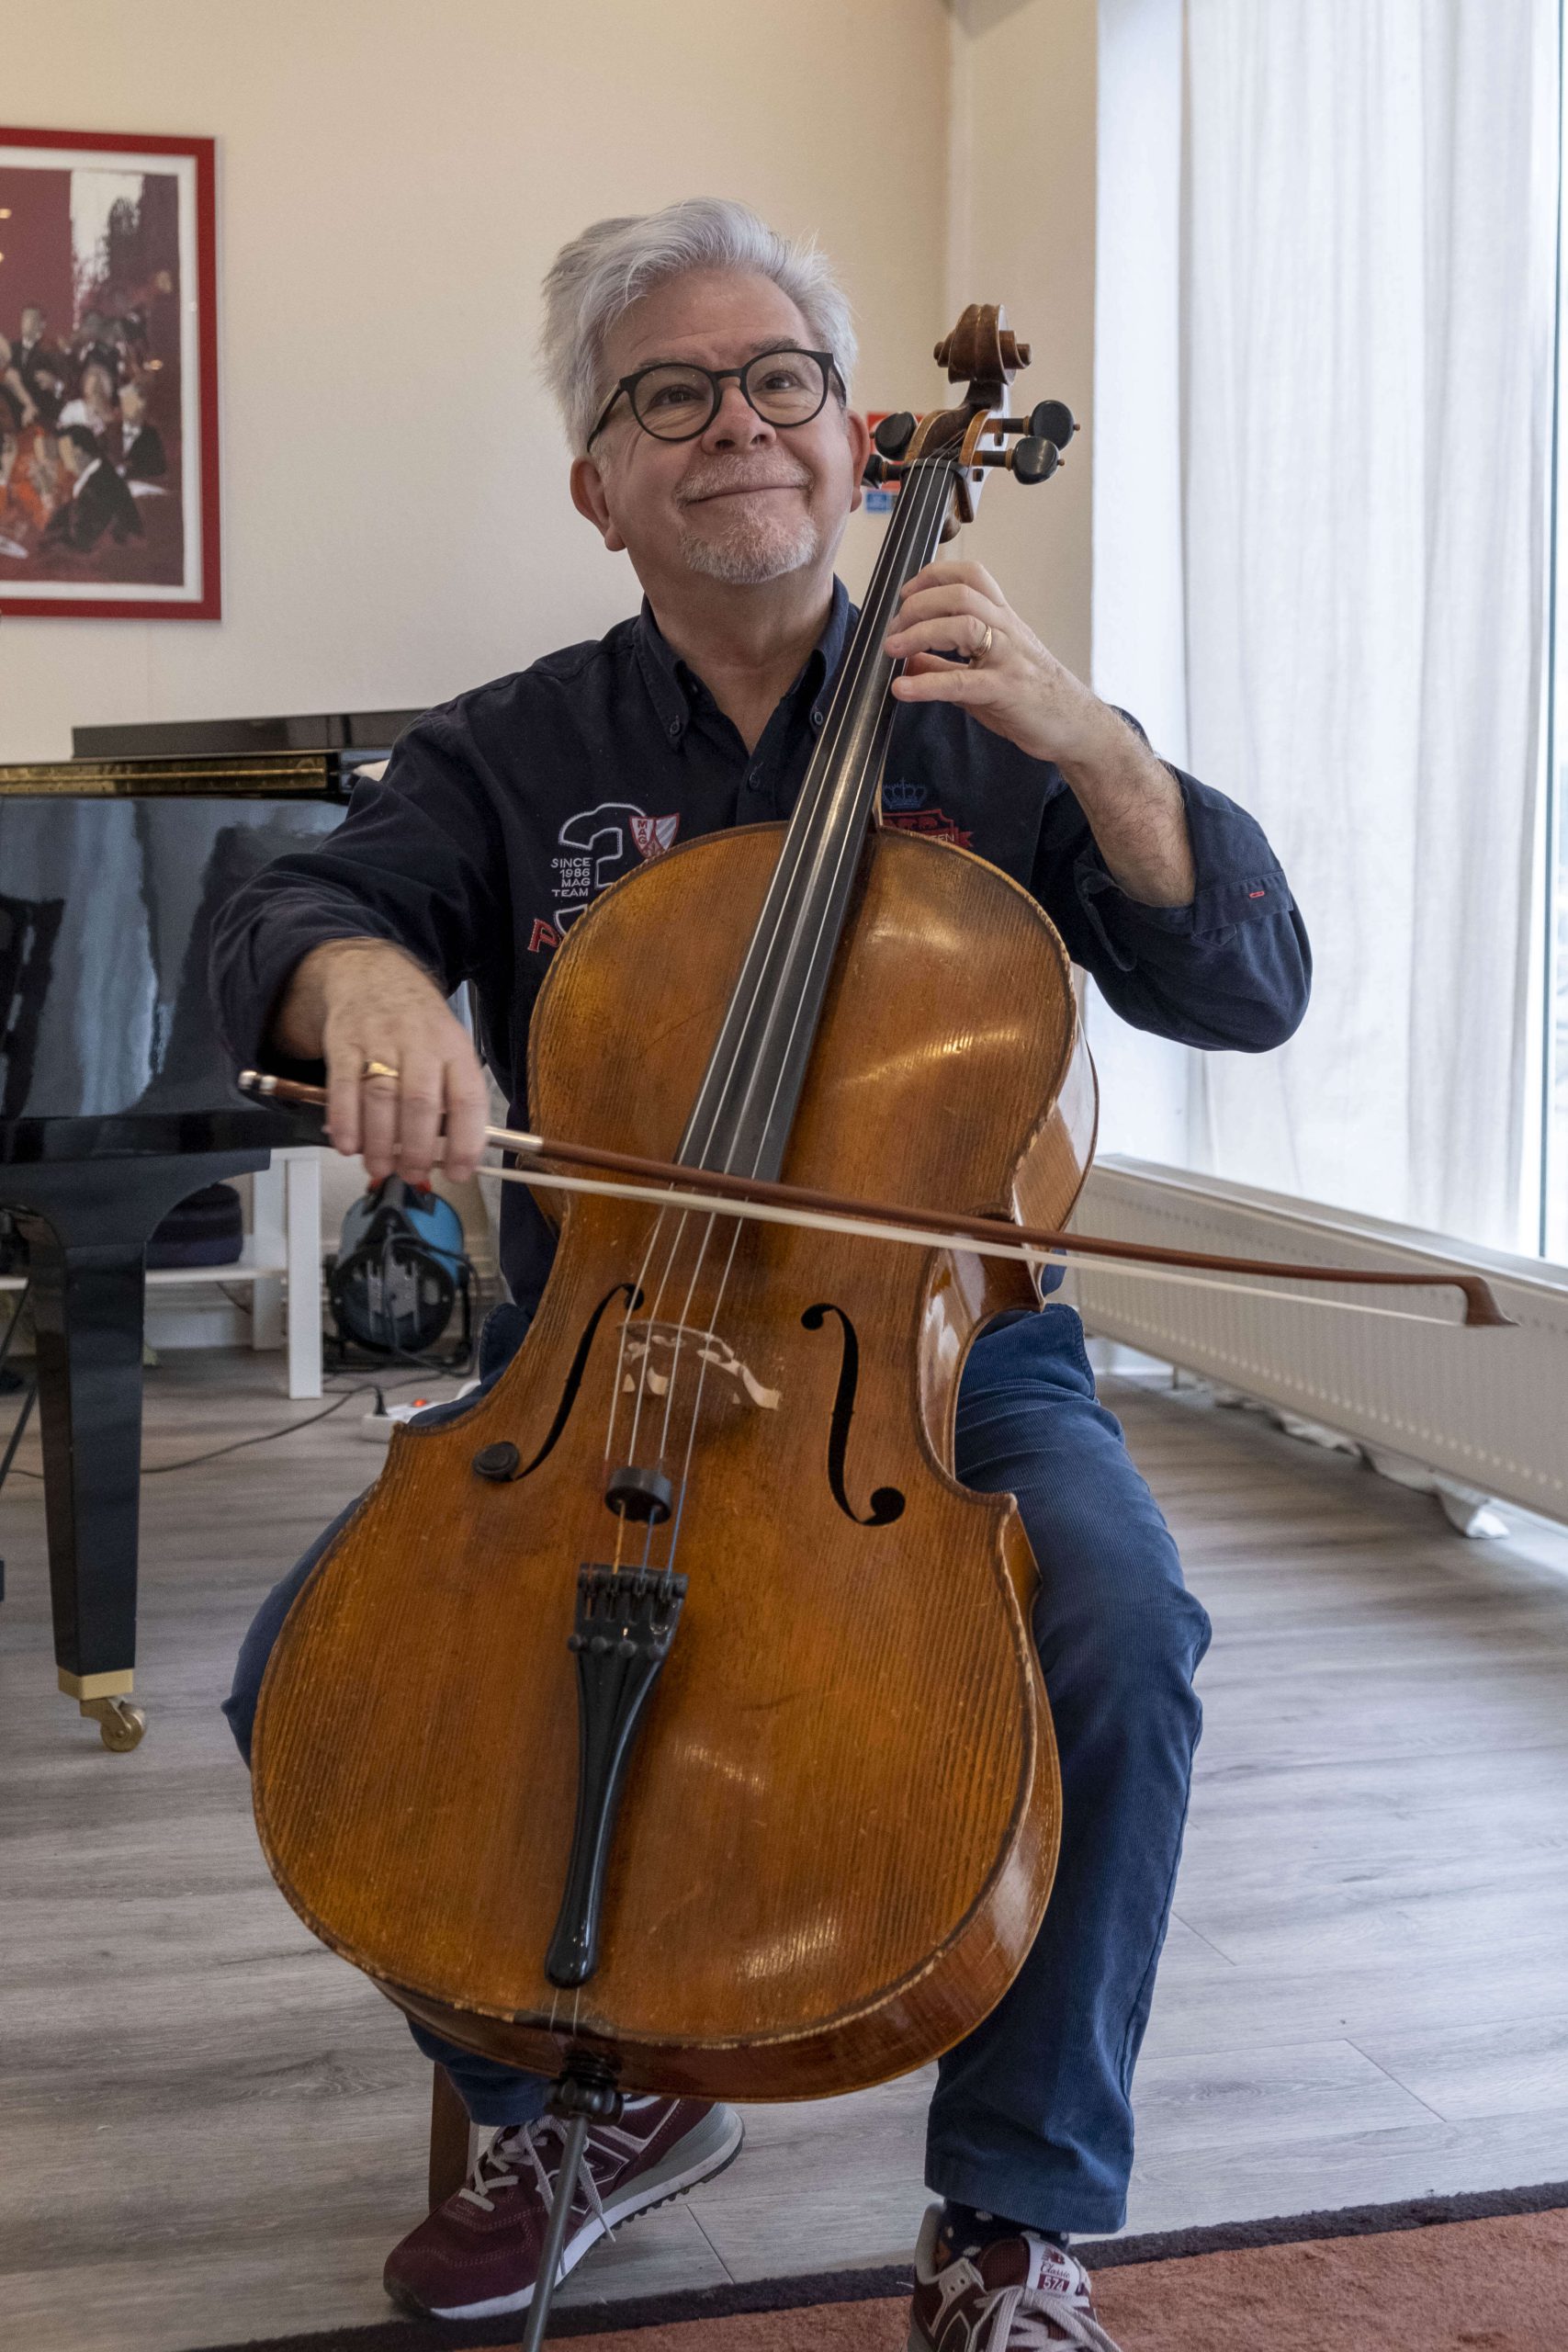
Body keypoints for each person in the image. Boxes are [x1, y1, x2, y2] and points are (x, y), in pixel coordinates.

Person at [211, 198, 1309, 2352]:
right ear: (596, 479)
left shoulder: (988, 723)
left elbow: (1243, 982)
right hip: (594, 1350)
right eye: (670, 394)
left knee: (1113, 1617)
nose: (738, 424)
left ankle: (1007, 2206)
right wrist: (364, 986)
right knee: (298, 1678)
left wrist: (1100, 743)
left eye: (780, 379)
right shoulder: (507, 749)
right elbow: (293, 906)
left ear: (852, 437)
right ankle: (574, 2096)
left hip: (936, 1369)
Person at [42, 424, 142, 552]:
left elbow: (83, 540)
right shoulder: (99, 475)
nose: (60, 458)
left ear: (78, 452)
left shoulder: (102, 484)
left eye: (63, 452)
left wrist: (51, 540)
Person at [116, 380, 167, 482]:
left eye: (132, 402)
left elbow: (159, 468)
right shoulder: (110, 432)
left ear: (142, 404)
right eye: (125, 403)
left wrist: (127, 469)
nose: (127, 407)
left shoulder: (151, 435)